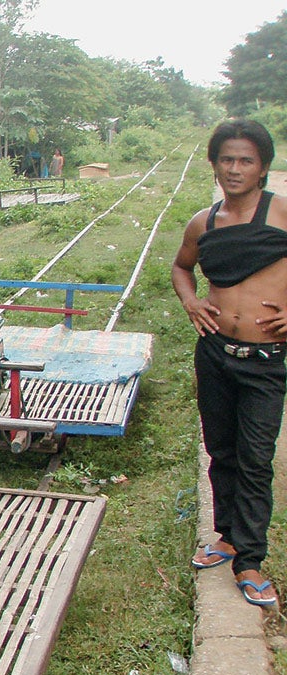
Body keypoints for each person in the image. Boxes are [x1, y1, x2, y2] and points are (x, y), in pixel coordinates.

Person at [172, 118, 287, 607]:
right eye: (227, 159)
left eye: (246, 160)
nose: (235, 168)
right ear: (214, 165)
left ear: (262, 167)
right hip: (217, 354)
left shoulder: (281, 214)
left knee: (256, 458)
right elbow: (181, 267)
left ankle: (251, 560)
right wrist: (192, 303)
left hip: (266, 358)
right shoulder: (205, 223)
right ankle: (226, 536)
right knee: (221, 450)